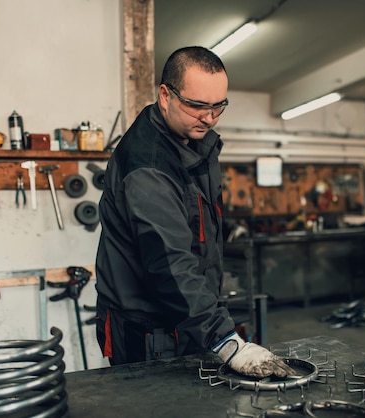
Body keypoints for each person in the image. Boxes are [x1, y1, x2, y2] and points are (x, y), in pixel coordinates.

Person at [94, 46, 294, 379]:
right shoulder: (149, 166)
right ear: (165, 95)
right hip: (148, 330)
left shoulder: (195, 144)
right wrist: (227, 342)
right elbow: (169, 265)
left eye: (219, 106)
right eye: (198, 106)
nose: (210, 117)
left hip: (189, 318)